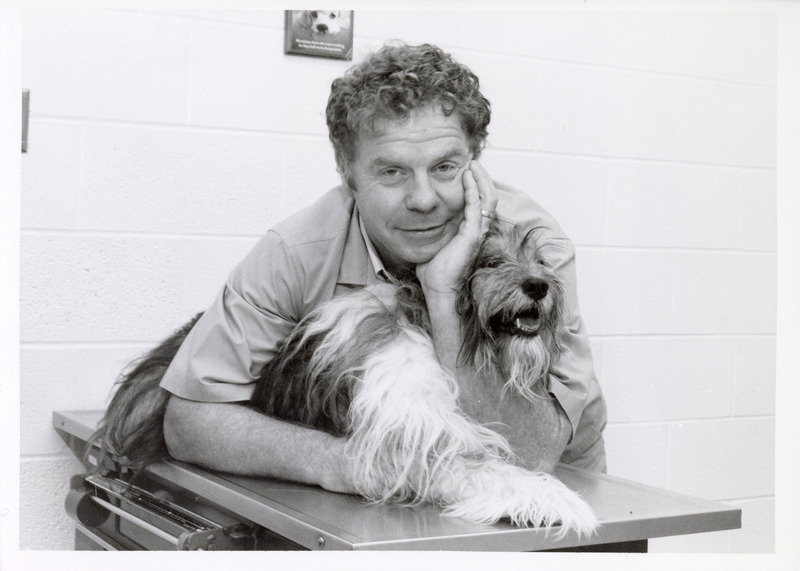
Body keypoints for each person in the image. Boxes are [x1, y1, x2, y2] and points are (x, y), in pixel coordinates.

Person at [160, 41, 607, 495]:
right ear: (347, 172)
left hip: (559, 493)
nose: (424, 199)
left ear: (475, 159)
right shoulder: (297, 252)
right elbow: (189, 422)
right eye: (392, 172)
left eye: (445, 167)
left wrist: (442, 294)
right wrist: (341, 463)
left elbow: (532, 456)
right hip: (401, 491)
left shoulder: (532, 245)